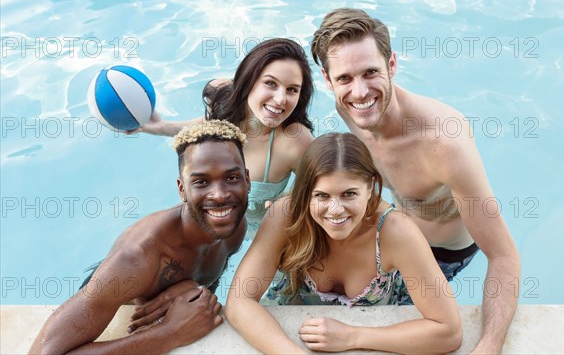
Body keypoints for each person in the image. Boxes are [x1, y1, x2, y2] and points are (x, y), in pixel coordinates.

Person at [310, 8, 520, 354]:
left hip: (440, 251)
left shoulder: (443, 143)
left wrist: (489, 344)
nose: (360, 92)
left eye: (371, 73)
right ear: (328, 80)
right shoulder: (348, 107)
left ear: (392, 65)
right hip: (388, 227)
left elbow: (503, 255)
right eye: (345, 78)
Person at [225, 133, 462, 354]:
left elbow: (448, 331)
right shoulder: (286, 216)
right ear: (306, 193)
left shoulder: (396, 232)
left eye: (349, 194)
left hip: (375, 321)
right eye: (322, 196)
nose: (336, 211)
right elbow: (238, 302)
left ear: (370, 187)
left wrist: (353, 337)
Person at [29, 120, 251, 354]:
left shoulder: (234, 226)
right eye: (201, 182)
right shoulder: (136, 258)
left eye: (232, 178)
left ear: (247, 180)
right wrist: (168, 333)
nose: (219, 195)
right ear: (182, 189)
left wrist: (194, 290)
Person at [131, 38, 314, 233]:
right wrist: (161, 127)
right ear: (249, 80)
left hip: (260, 236)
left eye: (292, 89)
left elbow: (323, 185)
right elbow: (212, 126)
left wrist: (287, 203)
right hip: (212, 226)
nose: (280, 100)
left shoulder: (293, 141)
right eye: (270, 83)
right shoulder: (221, 99)